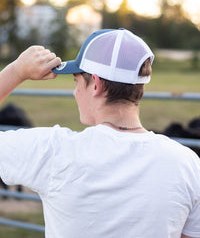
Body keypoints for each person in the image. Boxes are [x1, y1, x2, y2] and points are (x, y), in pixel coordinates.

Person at [0, 29, 199, 238]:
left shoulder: (53, 152)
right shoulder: (186, 163)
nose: (75, 92)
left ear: (95, 84)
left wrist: (16, 71)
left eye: (77, 82)